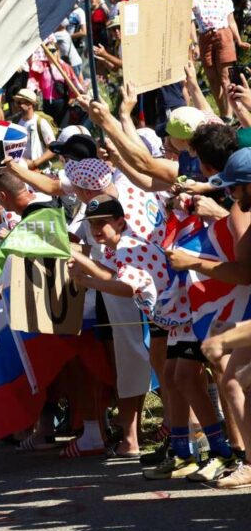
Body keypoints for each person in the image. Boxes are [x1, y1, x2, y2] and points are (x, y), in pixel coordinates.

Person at [68, 195, 235, 481]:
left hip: (186, 315)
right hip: (174, 317)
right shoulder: (120, 247)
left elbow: (123, 287)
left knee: (184, 379)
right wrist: (85, 270)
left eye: (103, 223)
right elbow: (112, 275)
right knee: (172, 378)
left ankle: (221, 450)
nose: (96, 229)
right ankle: (183, 452)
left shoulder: (129, 247)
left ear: (120, 222)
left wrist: (84, 272)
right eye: (92, 224)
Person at [193, 0, 249, 120]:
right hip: (205, 36)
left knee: (225, 76)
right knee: (212, 78)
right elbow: (187, 12)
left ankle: (231, 113)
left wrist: (238, 40)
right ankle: (223, 111)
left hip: (223, 34)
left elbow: (231, 21)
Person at [10, 88, 56, 170]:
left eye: (20, 102)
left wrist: (35, 163)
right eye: (16, 102)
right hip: (20, 167)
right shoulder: (16, 121)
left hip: (38, 169)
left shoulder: (41, 122)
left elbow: (53, 149)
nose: (16, 105)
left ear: (30, 104)